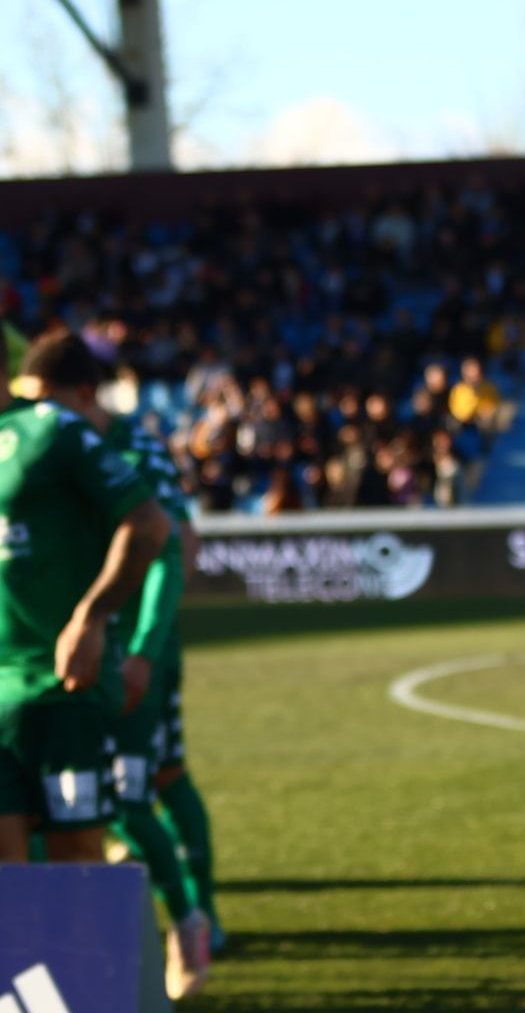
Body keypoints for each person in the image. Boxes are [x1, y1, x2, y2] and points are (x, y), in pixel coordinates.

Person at [16, 331, 215, 997]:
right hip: (53, 671)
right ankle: (49, 985)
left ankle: (190, 920)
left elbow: (171, 542)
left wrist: (141, 650)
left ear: (83, 395)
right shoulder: (36, 442)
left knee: (133, 797)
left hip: (124, 659)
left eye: (46, 402)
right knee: (52, 827)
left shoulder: (130, 449)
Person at [0, 340, 170, 866]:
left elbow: (149, 523)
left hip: (59, 687)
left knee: (75, 858)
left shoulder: (52, 428)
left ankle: (189, 922)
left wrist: (91, 618)